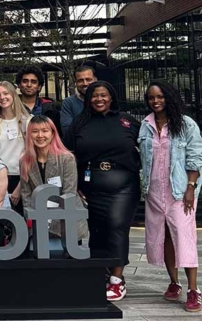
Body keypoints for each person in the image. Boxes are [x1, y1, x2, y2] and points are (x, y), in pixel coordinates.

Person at [64, 81, 141, 302]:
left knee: (116, 226)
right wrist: (75, 183)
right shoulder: (80, 123)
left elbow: (148, 147)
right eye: (94, 96)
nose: (99, 99)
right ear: (88, 99)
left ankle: (117, 280)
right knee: (96, 231)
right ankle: (102, 274)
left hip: (124, 186)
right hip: (91, 187)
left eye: (104, 95)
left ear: (112, 97)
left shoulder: (127, 121)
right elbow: (68, 154)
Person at [139, 81, 202, 312]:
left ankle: (193, 290)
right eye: (151, 97)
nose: (155, 101)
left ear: (169, 97)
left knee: (184, 237)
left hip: (179, 192)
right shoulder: (146, 125)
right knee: (164, 236)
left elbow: (196, 157)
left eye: (160, 96)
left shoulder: (186, 124)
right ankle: (174, 282)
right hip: (154, 192)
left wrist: (190, 187)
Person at [19, 115, 86, 241]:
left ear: (53, 133)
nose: (40, 135)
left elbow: (69, 194)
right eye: (35, 131)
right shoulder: (25, 161)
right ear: (29, 135)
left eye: (45, 131)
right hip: (39, 223)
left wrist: (49, 222)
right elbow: (26, 194)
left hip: (66, 222)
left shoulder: (67, 159)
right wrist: (32, 221)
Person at [0, 81, 31, 216]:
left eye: (5, 93)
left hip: (23, 177)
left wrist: (19, 187)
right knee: (1, 219)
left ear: (13, 95)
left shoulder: (27, 121)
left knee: (23, 219)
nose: (2, 98)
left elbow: (31, 154)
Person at [60, 64, 97, 134]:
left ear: (95, 80)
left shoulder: (103, 101)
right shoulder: (69, 103)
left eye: (88, 79)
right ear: (76, 83)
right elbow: (67, 131)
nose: (85, 83)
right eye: (80, 80)